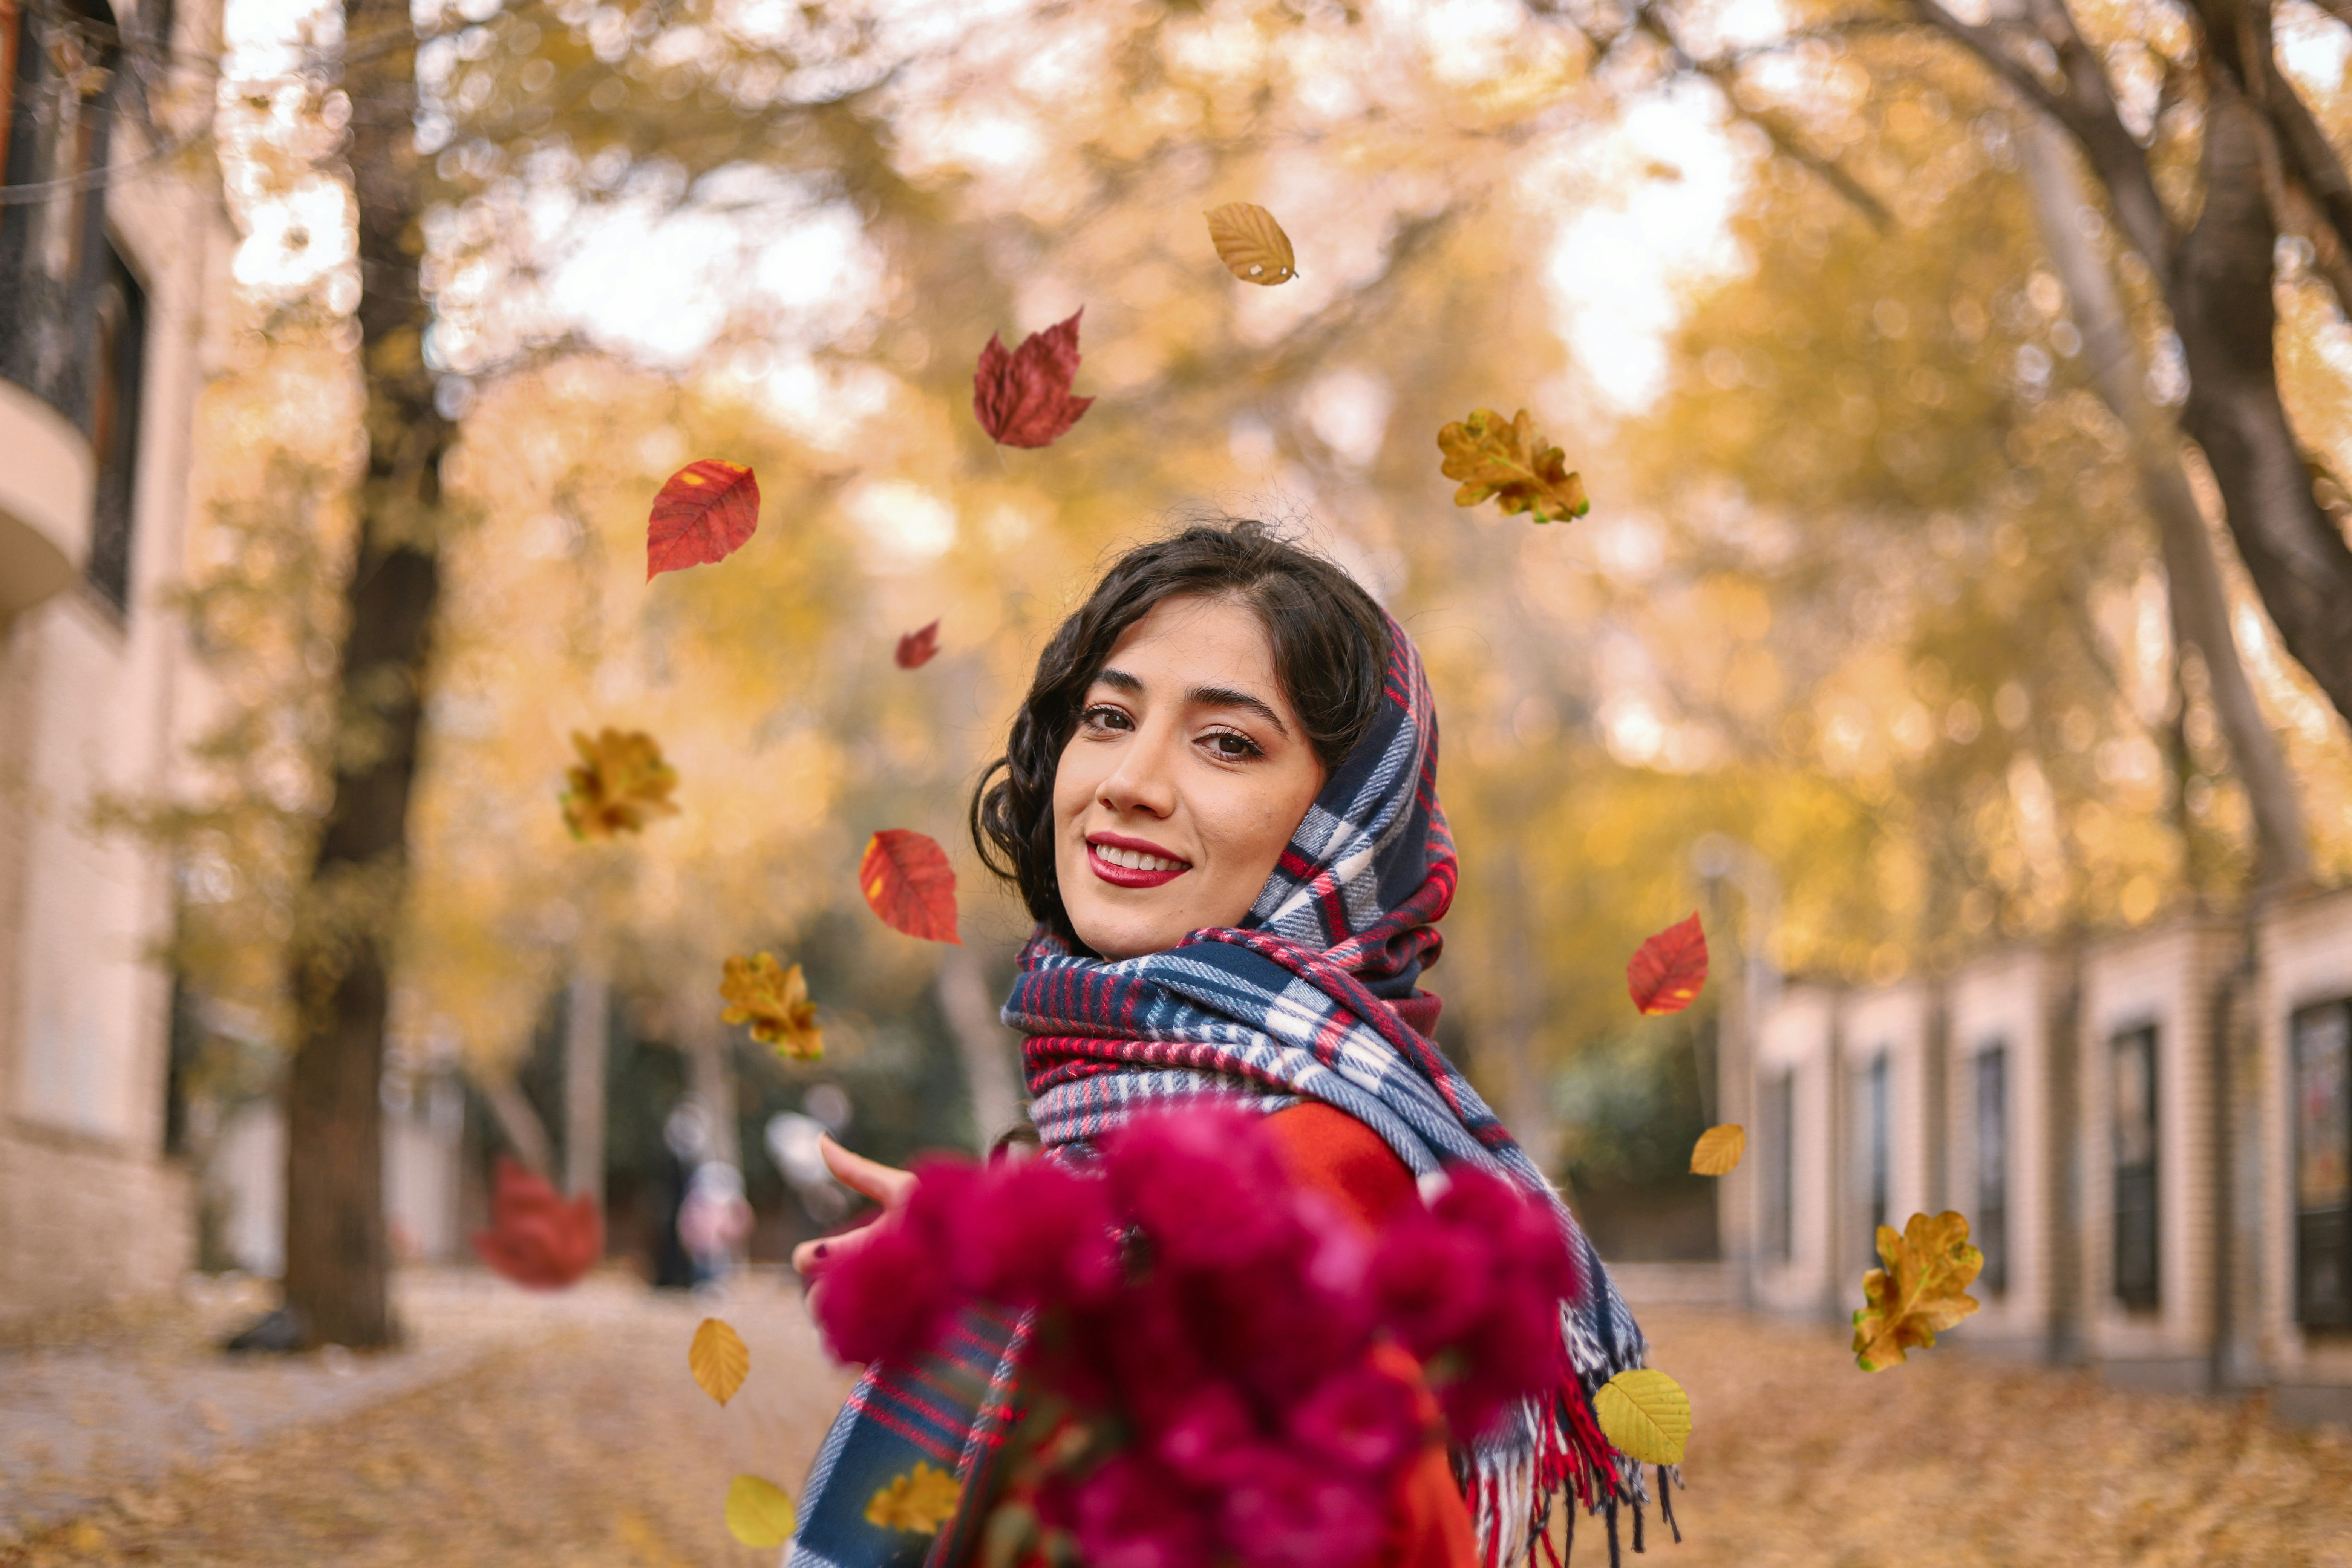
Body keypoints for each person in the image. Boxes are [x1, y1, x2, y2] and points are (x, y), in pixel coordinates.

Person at [786, 521, 1661, 1568]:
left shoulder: (1309, 1183)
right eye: (1109, 718)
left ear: (1343, 827)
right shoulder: (1131, 1125)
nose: (1132, 782)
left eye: (1228, 743)